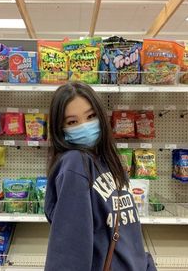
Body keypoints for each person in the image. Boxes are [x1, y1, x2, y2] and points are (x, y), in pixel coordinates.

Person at [44, 81, 156, 271]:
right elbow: (69, 249)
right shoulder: (75, 164)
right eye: (72, 122)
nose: (85, 126)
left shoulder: (109, 161)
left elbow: (130, 232)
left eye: (91, 116)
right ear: (60, 129)